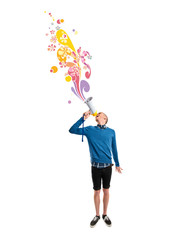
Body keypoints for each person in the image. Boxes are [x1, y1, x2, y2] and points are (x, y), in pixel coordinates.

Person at [69, 110, 123, 228]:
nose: (98, 113)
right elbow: (72, 130)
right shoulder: (89, 130)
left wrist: (118, 163)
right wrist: (83, 118)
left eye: (101, 113)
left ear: (105, 118)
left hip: (108, 167)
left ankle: (105, 214)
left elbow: (114, 148)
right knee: (97, 191)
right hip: (95, 167)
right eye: (97, 113)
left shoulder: (111, 132)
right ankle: (97, 215)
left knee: (106, 191)